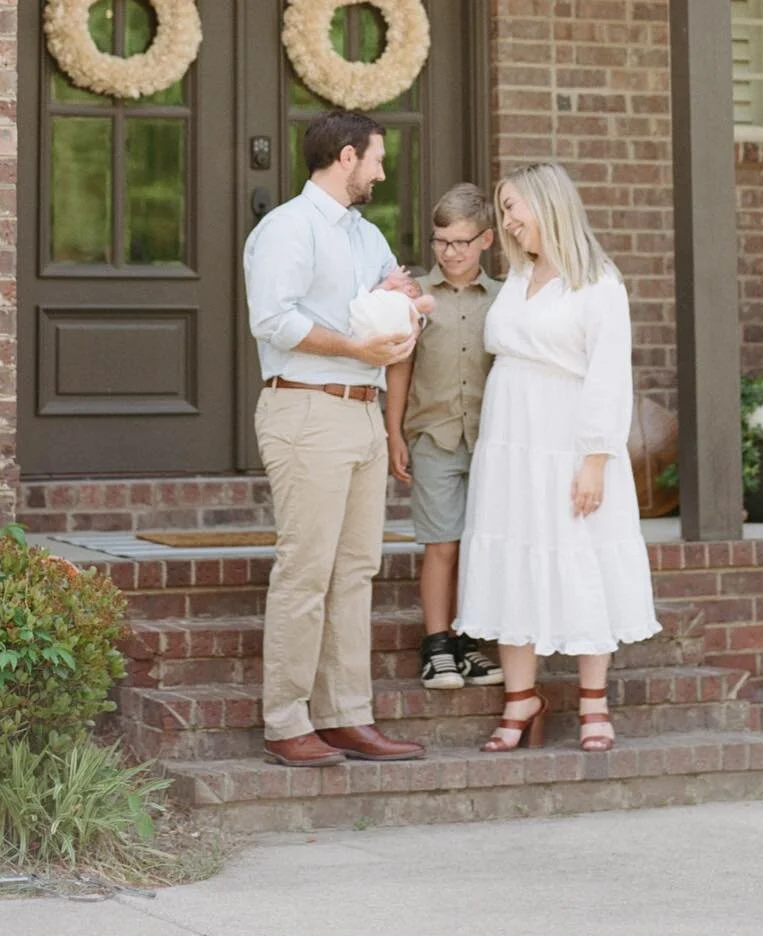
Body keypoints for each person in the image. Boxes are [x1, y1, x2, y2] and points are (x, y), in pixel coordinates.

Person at [243, 109, 429, 769]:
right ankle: (286, 720)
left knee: (355, 572)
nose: (382, 170)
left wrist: (406, 302)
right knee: (307, 571)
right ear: (346, 157)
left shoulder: (367, 235)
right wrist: (355, 342)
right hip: (306, 410)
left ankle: (346, 715)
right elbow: (272, 318)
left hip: (362, 413)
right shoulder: (287, 229)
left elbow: (389, 299)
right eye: (376, 158)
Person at [455, 163, 660, 752]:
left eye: (513, 205)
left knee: (582, 557)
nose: (508, 219)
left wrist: (596, 458)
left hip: (568, 440)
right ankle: (521, 699)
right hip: (510, 442)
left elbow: (608, 376)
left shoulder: (598, 282)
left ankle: (594, 702)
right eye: (503, 207)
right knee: (512, 555)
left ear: (548, 205)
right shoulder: (518, 277)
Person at [385, 183, 505, 691]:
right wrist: (394, 432)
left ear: (486, 240)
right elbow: (400, 368)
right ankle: (437, 645)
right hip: (434, 437)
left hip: (492, 441)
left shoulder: (504, 299)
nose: (450, 252)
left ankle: (469, 641)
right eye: (440, 242)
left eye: (460, 242)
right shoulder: (416, 300)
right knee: (443, 544)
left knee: (483, 544)